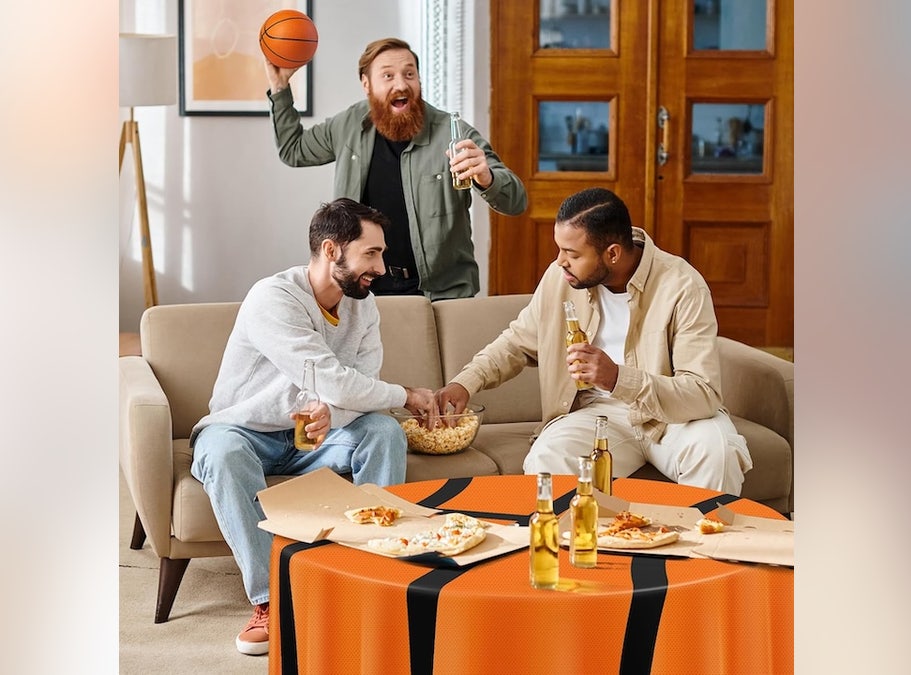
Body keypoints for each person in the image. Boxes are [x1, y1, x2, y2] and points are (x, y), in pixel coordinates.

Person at [190, 198, 437, 656]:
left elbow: (357, 386)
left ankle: (373, 577)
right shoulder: (274, 298)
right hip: (243, 430)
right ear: (331, 249)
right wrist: (405, 395)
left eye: (381, 254)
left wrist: (335, 415)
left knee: (383, 433)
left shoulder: (362, 306)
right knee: (221, 453)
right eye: (372, 253)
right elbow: (329, 378)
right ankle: (271, 600)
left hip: (314, 440)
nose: (381, 267)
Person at [434, 187, 752, 495]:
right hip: (598, 415)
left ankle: (704, 549)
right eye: (559, 249)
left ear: (612, 253)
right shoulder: (560, 279)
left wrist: (616, 378)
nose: (560, 262)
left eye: (572, 253)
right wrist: (465, 384)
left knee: (718, 451)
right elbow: (516, 344)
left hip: (671, 417)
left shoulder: (682, 286)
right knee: (548, 458)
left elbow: (702, 394)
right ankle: (586, 547)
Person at [264, 37, 528, 300]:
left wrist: (487, 177)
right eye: (387, 76)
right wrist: (280, 88)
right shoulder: (348, 125)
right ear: (366, 85)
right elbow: (294, 150)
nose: (401, 84)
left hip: (441, 295)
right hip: (362, 291)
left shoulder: (453, 133)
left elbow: (516, 202)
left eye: (409, 74)